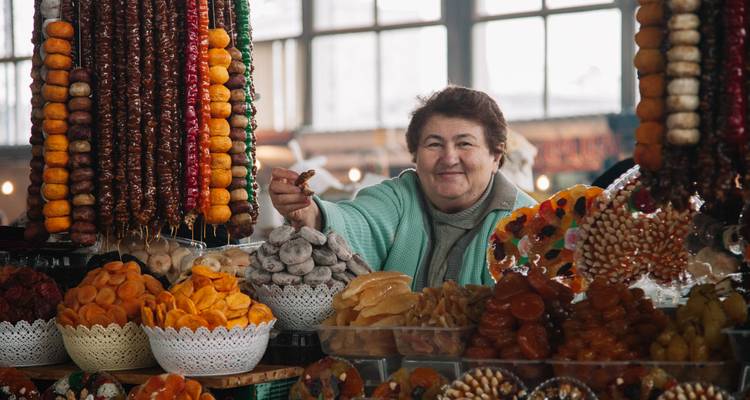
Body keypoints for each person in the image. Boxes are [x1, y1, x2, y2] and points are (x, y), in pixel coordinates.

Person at [269, 86, 536, 288]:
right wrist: (311, 213)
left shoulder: (528, 223)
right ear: (414, 155)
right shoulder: (397, 200)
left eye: (464, 143)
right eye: (434, 144)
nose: (449, 157)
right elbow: (358, 222)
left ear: (496, 156)